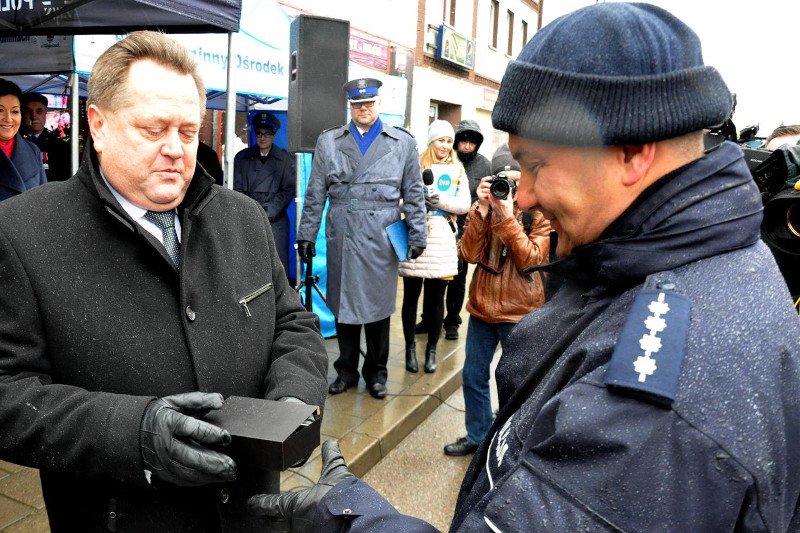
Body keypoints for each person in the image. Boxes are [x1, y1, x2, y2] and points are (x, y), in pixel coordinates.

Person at [246, 4, 800, 531]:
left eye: (536, 163)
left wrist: (348, 519)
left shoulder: (667, 385)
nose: (526, 194)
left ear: (632, 151)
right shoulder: (689, 265)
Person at [0, 31, 328, 532]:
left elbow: (292, 322)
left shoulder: (243, 218)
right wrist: (131, 434)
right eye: (154, 129)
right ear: (98, 125)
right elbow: (7, 393)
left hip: (249, 515)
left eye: (189, 131)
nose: (176, 149)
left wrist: (290, 405)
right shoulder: (22, 232)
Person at [297, 78, 427, 400]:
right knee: (343, 307)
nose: (363, 110)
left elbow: (413, 192)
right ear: (350, 107)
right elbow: (315, 193)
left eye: (368, 104)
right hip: (343, 232)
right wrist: (306, 234)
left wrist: (417, 232)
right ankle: (345, 371)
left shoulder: (401, 142)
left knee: (378, 308)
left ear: (378, 104)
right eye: (357, 105)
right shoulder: (329, 142)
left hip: (381, 235)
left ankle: (377, 374)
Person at [443, 144, 550, 457]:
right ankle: (478, 437)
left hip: (519, 313)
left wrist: (507, 218)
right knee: (473, 377)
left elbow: (531, 261)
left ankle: (510, 444)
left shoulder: (538, 214)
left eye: (516, 181)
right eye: (504, 180)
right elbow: (469, 254)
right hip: (482, 308)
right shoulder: (486, 209)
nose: (510, 188)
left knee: (513, 382)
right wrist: (481, 211)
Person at [400, 119, 470, 374]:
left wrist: (439, 201)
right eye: (441, 140)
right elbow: (398, 200)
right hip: (416, 235)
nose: (445, 145)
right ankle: (409, 348)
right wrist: (416, 204)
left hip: (442, 238)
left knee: (436, 298)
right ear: (431, 142)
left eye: (449, 140)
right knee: (410, 296)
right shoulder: (415, 165)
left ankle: (431, 349)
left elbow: (464, 205)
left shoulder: (458, 170)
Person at [415, 119, 490, 341]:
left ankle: (452, 321)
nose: (466, 146)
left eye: (471, 143)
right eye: (463, 141)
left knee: (457, 278)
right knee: (433, 276)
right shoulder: (438, 162)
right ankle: (429, 318)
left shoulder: (484, 165)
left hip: (466, 229)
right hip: (439, 227)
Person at [234, 111, 296, 276]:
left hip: (275, 221)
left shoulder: (285, 159)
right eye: (259, 133)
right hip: (249, 218)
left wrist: (269, 210)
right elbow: (237, 189)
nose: (262, 138)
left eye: (267, 134)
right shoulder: (241, 158)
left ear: (274, 136)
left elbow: (289, 189)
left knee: (277, 268)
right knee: (249, 266)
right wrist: (252, 211)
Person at [0, 79, 47, 201]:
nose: (8, 119)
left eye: (15, 111)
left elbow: (44, 199)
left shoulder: (32, 150)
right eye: (0, 110)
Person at [22, 91, 71, 182]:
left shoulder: (59, 145)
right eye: (29, 111)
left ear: (45, 115)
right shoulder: (14, 142)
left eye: (39, 111)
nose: (34, 116)